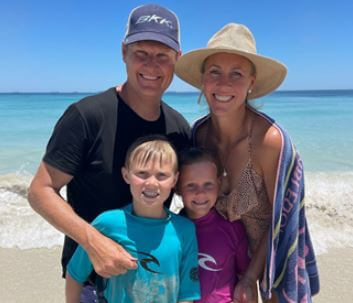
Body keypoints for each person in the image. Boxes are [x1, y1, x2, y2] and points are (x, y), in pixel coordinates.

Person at [27, 4, 190, 301]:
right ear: (123, 52)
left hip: (156, 287)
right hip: (92, 282)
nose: (151, 66)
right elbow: (41, 191)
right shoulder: (86, 116)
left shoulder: (179, 129)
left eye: (162, 56)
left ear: (176, 60)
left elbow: (192, 200)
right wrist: (94, 242)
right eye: (141, 52)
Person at [175, 23, 319, 302]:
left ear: (252, 83)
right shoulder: (199, 134)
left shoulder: (269, 141)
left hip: (270, 263)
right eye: (214, 72)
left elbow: (282, 222)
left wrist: (251, 275)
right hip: (219, 260)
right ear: (203, 80)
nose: (223, 84)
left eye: (236, 74)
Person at [65, 136, 200, 303]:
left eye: (161, 175)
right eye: (142, 174)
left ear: (175, 179)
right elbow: (76, 273)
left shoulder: (184, 230)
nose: (151, 183)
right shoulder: (107, 223)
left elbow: (187, 294)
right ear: (126, 175)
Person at [177, 147, 251, 303]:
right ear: (177, 187)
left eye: (208, 184)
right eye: (191, 185)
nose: (200, 193)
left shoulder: (233, 228)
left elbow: (245, 277)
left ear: (219, 184)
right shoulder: (172, 230)